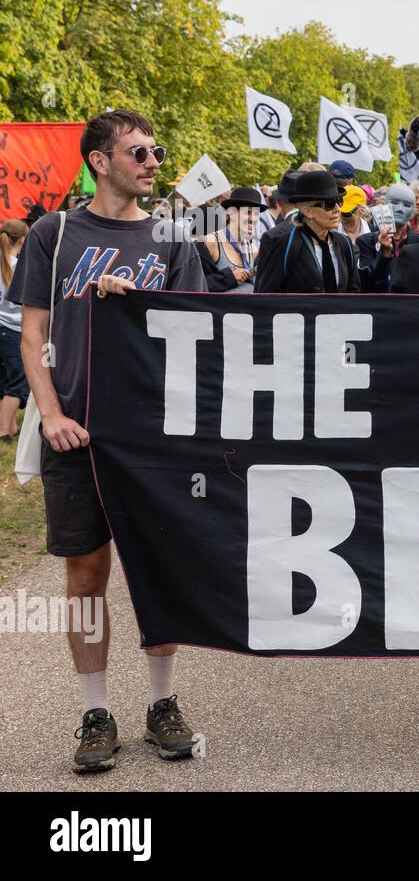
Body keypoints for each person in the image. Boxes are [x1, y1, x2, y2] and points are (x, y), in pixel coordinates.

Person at [11, 109, 205, 772]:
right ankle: (95, 712)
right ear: (101, 160)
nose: (154, 162)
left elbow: (197, 339)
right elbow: (31, 336)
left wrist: (134, 309)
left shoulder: (176, 238)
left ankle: (163, 702)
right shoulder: (54, 233)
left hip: (152, 437)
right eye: (140, 152)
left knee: (157, 571)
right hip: (78, 434)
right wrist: (51, 412)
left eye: (157, 150)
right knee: (86, 576)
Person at [255, 169, 385, 293]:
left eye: (338, 201)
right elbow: (268, 298)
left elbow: (354, 293)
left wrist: (386, 256)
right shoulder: (284, 245)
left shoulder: (345, 244)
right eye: (329, 203)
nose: (337, 209)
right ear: (307, 211)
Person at [196, 186, 263, 293]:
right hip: (217, 308)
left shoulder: (254, 251)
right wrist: (229, 278)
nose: (253, 219)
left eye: (256, 214)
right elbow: (194, 285)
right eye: (248, 212)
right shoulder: (209, 243)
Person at [355, 183, 419, 293]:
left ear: (413, 212)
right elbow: (368, 286)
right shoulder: (366, 242)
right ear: (384, 205)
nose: (400, 209)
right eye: (394, 203)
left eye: (407, 205)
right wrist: (385, 255)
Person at [0, 219, 30, 439]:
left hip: (1, 327)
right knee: (18, 382)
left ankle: (9, 426)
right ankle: (4, 430)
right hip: (12, 329)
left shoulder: (5, 263)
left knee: (5, 381)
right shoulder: (19, 267)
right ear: (22, 239)